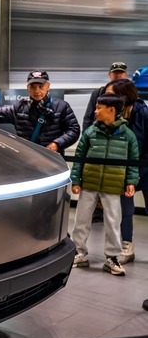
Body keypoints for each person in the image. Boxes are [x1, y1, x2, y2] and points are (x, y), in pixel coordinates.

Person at [70, 93, 139, 276]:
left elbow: (133, 161)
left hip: (113, 186)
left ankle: (112, 257)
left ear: (111, 110)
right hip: (89, 184)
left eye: (99, 108)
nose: (95, 111)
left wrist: (131, 181)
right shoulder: (90, 132)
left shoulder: (128, 135)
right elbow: (79, 158)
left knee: (113, 222)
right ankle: (79, 252)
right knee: (81, 220)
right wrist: (76, 180)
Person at [0, 70, 80, 153]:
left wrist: (57, 144)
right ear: (28, 88)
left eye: (41, 86)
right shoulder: (19, 108)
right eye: (33, 87)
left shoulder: (62, 107)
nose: (37, 90)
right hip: (27, 161)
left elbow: (74, 130)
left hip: (53, 160)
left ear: (48, 86)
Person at [104, 79, 148, 263]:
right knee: (125, 210)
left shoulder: (144, 113)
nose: (106, 99)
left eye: (111, 96)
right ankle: (126, 245)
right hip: (123, 171)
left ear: (124, 96)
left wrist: (139, 171)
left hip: (145, 169)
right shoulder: (112, 115)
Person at [83, 62, 129, 130]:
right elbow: (88, 117)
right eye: (115, 73)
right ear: (109, 74)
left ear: (125, 75)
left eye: (121, 73)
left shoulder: (129, 94)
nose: (118, 75)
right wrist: (85, 135)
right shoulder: (98, 93)